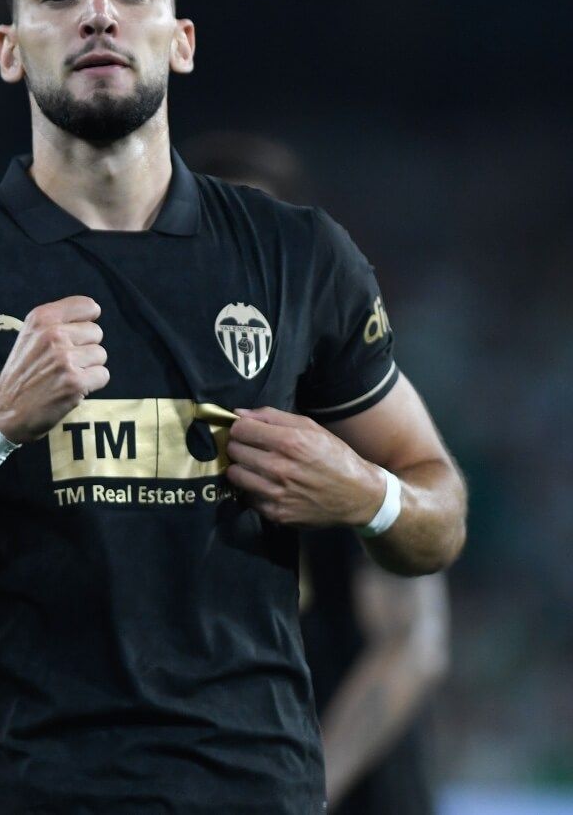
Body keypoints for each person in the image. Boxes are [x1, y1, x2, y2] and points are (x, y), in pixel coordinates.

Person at [0, 0, 467, 813]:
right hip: (27, 789)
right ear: (8, 49)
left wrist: (364, 492)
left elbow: (439, 513)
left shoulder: (298, 256)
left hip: (251, 790)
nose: (98, 13)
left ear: (180, 40)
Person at [184, 132, 450, 815]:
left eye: (267, 233)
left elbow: (411, 647)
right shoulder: (140, 426)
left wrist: (304, 794)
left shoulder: (356, 418)